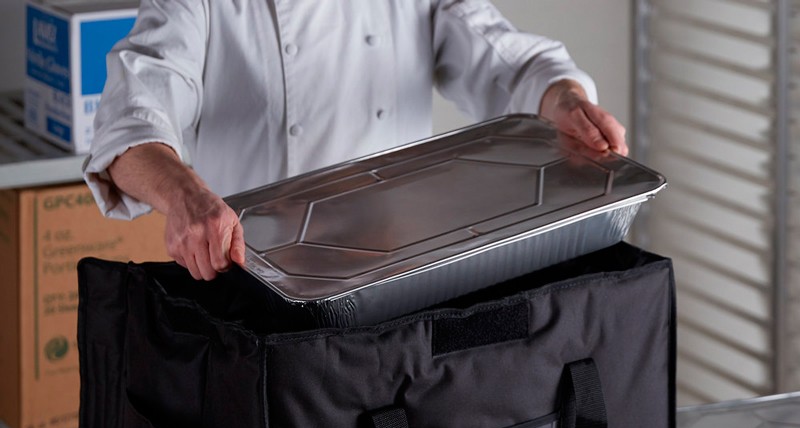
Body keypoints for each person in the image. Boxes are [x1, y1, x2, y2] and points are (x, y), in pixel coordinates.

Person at [84, 1, 627, 283]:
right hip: (256, 288)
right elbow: (129, 120)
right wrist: (184, 196)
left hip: (398, 278)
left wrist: (565, 100)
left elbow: (507, 59)